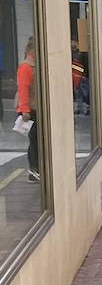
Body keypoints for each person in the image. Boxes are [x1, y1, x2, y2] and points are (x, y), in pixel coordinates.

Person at [16, 40, 39, 182]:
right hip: (30, 109)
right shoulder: (25, 67)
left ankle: (36, 168)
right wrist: (24, 110)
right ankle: (34, 169)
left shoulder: (34, 66)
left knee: (37, 139)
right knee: (34, 140)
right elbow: (23, 90)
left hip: (35, 107)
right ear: (31, 51)